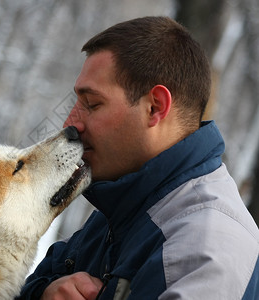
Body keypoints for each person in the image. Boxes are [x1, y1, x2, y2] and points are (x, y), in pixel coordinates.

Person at [16, 16, 259, 299]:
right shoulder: (123, 213)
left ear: (155, 107)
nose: (70, 122)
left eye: (92, 104)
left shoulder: (204, 247)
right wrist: (45, 292)